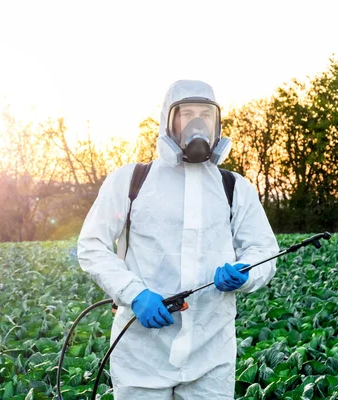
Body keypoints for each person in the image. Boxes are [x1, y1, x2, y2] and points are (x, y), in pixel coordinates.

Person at [77, 80, 279, 399]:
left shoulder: (235, 187)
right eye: (187, 114)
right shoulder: (130, 181)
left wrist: (245, 271)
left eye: (205, 114)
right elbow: (91, 246)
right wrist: (135, 293)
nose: (197, 123)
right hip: (141, 356)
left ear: (217, 123)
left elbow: (264, 250)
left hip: (211, 355)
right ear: (167, 121)